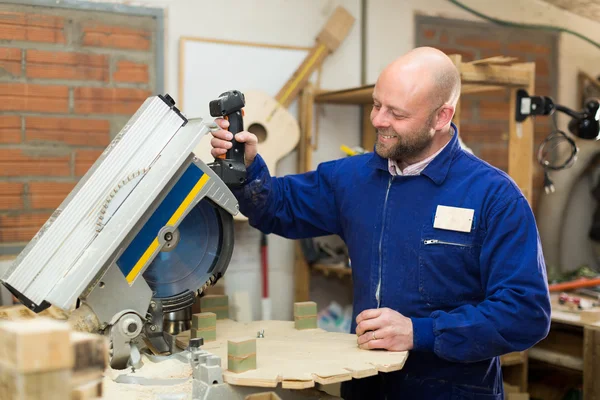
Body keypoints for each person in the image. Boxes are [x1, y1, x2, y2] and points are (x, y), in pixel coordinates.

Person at [209, 46, 551, 400]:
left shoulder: (494, 197)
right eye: (376, 104)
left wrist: (420, 332)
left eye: (396, 113)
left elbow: (526, 313)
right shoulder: (355, 178)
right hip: (367, 385)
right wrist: (247, 166)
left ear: (441, 117)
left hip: (452, 390)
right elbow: (279, 207)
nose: (378, 120)